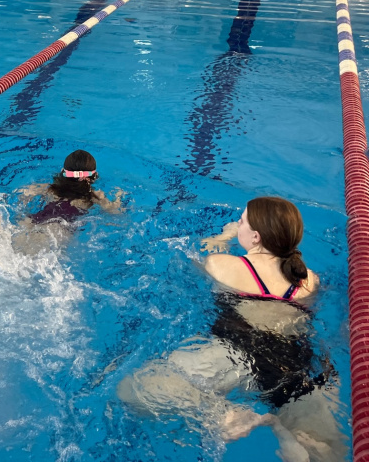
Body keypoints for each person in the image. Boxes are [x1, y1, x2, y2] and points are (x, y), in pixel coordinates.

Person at [118, 197, 346, 462]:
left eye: (241, 221)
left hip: (236, 355)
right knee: (326, 454)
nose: (237, 223)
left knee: (133, 390)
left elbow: (199, 261)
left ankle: (220, 412)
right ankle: (282, 429)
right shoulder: (309, 279)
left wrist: (222, 237)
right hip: (298, 363)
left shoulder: (223, 265)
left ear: (256, 237)